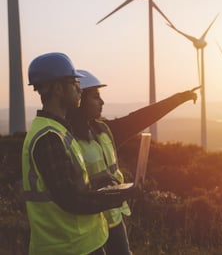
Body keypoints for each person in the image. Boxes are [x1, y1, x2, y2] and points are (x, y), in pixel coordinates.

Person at [66, 69, 199, 255]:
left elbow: (140, 118)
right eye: (95, 97)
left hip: (114, 218)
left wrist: (178, 98)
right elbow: (69, 189)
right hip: (89, 226)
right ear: (79, 100)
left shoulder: (104, 131)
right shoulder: (66, 139)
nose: (101, 102)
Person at [22, 52, 139, 255]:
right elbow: (71, 199)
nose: (79, 88)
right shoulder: (48, 138)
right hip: (67, 247)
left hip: (82, 243)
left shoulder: (59, 131)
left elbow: (66, 184)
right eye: (74, 82)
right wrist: (119, 196)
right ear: (58, 89)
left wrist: (95, 179)